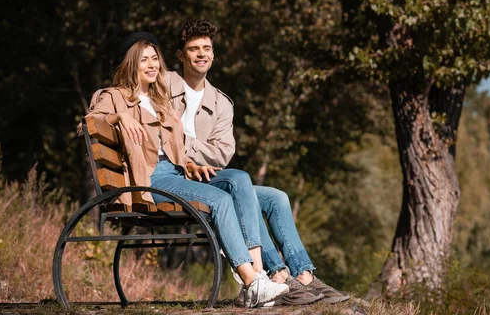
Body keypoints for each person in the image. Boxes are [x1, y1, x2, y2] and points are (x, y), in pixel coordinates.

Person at [85, 35, 288, 308]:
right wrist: (119, 117)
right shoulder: (114, 96)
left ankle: (258, 275)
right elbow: (89, 123)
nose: (151, 64)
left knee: (239, 179)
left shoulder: (158, 100)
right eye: (143, 59)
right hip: (151, 180)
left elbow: (171, 148)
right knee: (219, 200)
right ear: (131, 64)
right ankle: (251, 280)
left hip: (176, 173)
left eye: (155, 58)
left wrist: (190, 165)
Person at [166, 19, 350, 304]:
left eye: (206, 48)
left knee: (276, 197)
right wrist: (185, 150)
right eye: (193, 49)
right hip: (177, 177)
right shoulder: (163, 85)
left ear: (213, 54)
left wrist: (183, 144)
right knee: (241, 184)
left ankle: (303, 275)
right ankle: (274, 274)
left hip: (208, 177)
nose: (201, 54)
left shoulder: (221, 103)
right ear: (181, 55)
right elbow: (158, 132)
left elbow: (223, 153)